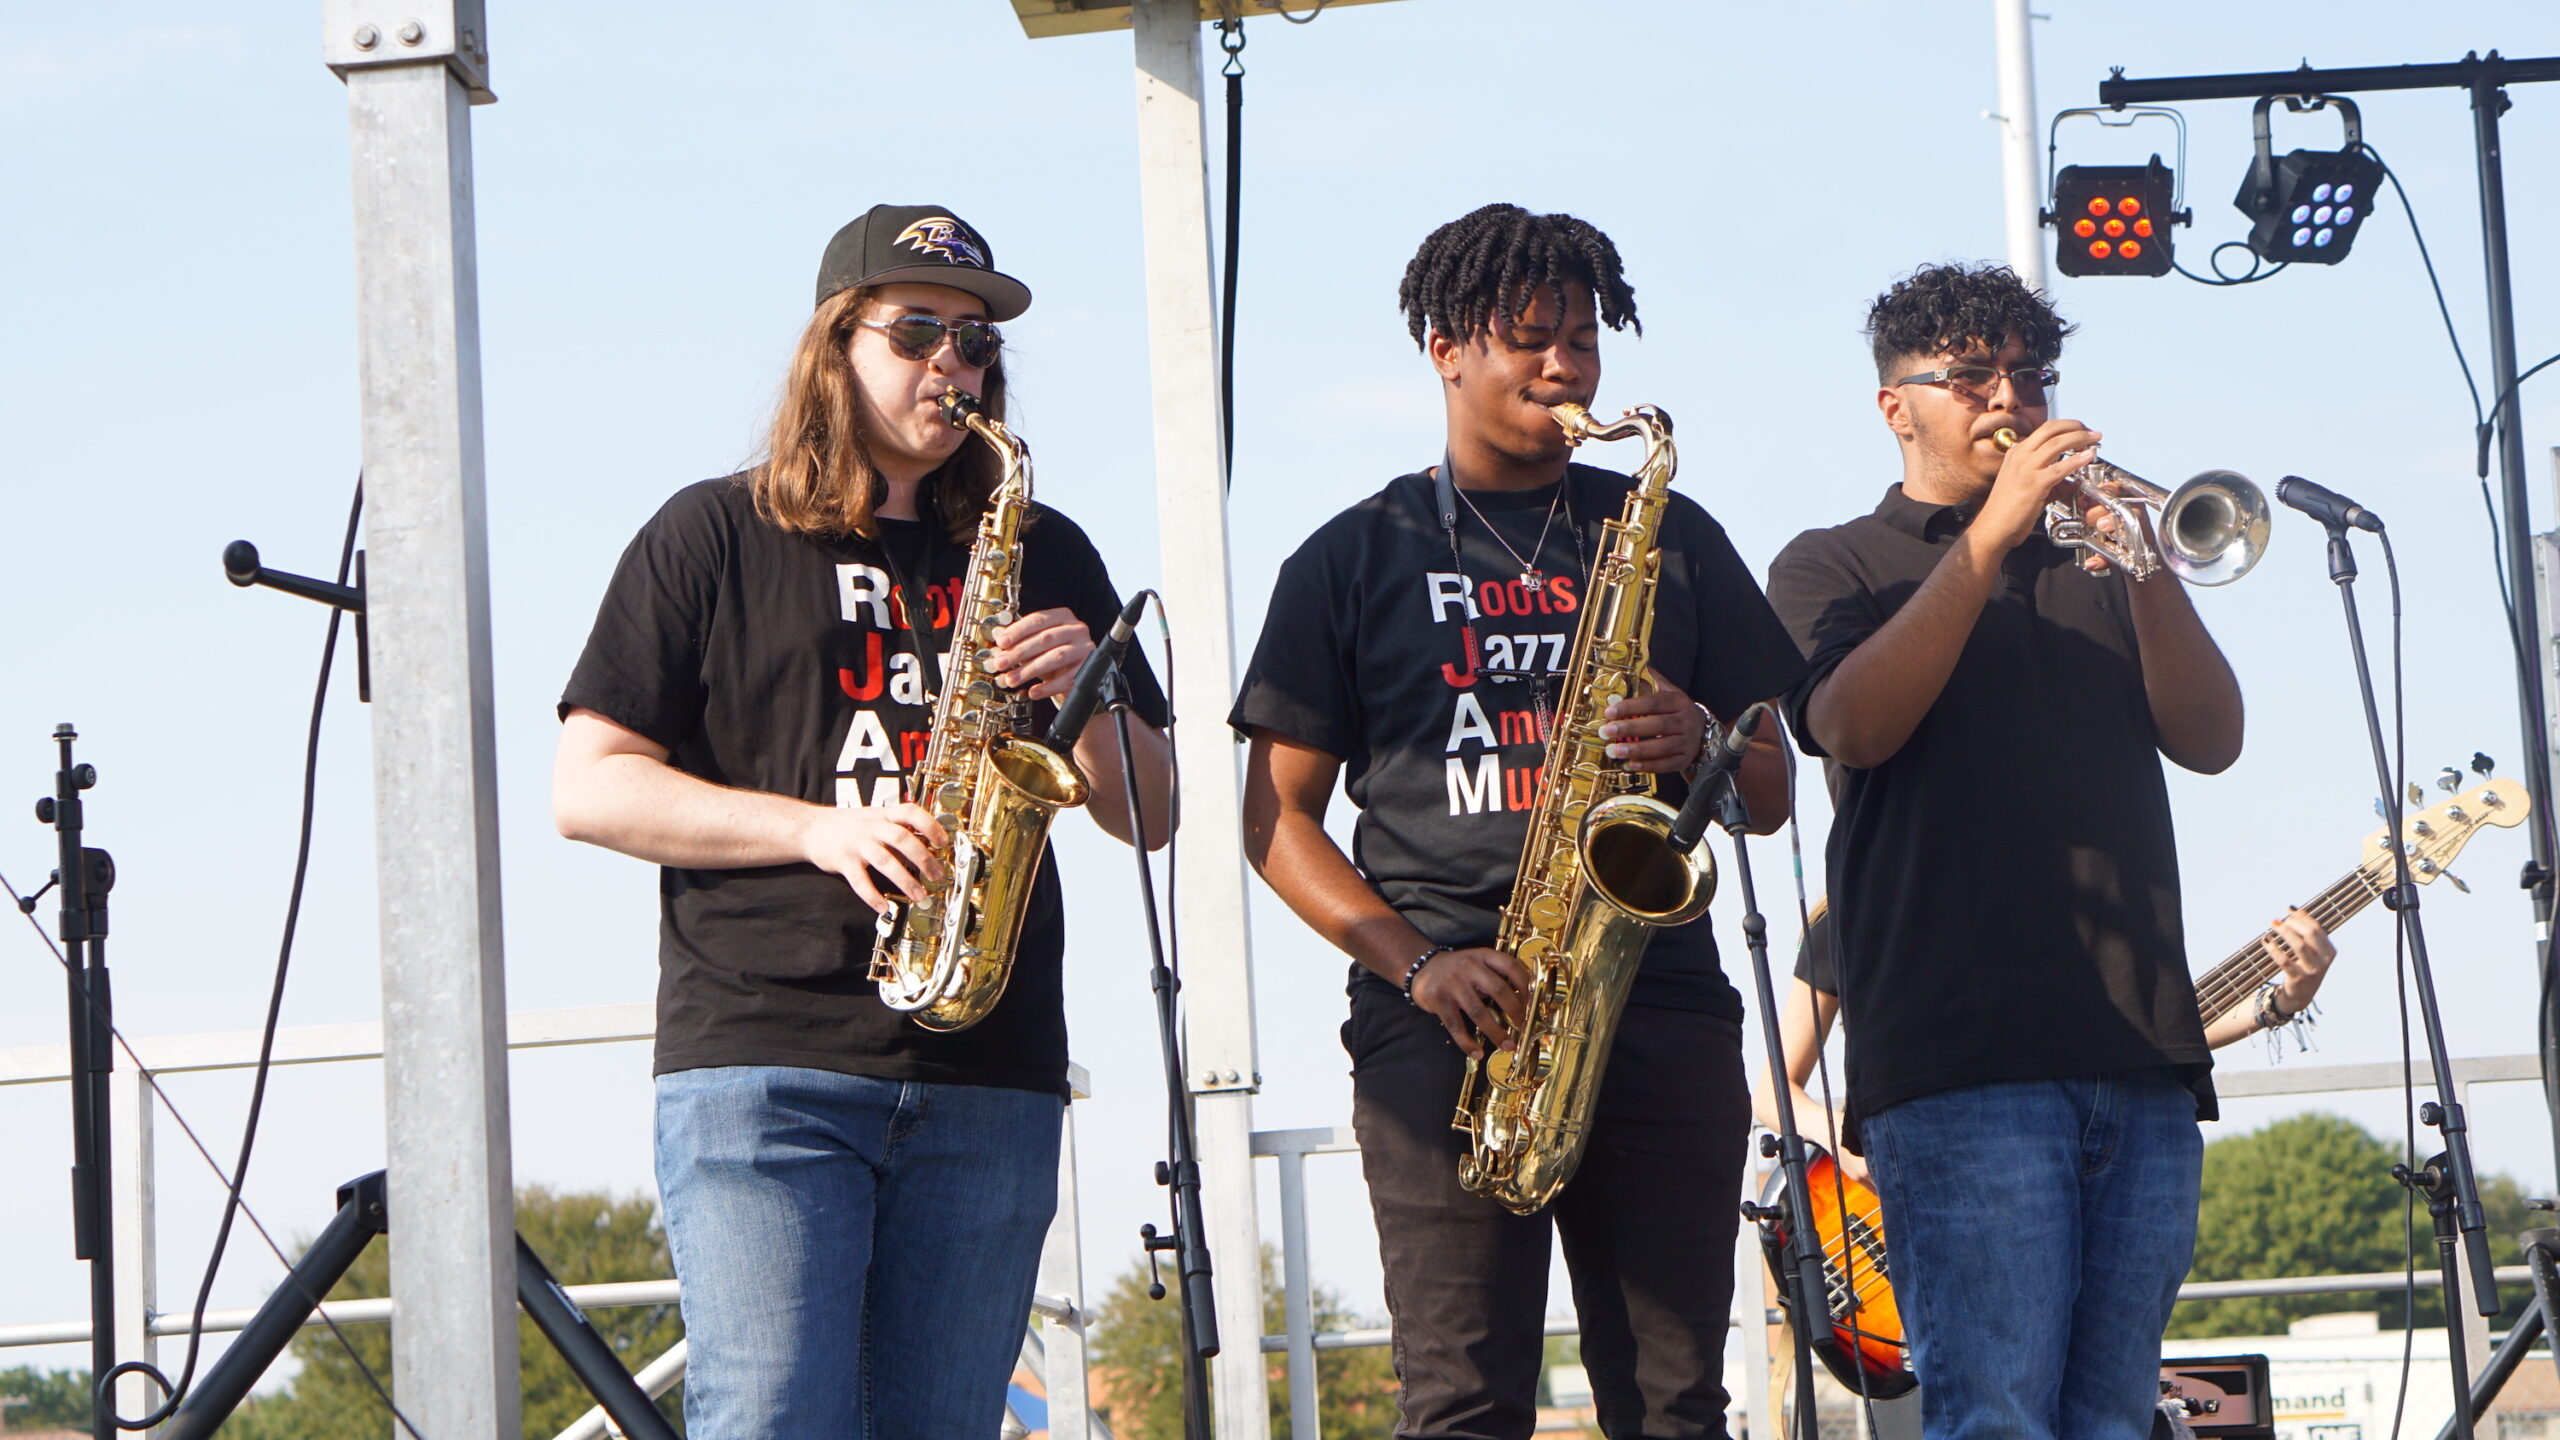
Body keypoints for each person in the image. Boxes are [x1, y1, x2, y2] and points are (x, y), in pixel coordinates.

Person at [551, 204, 1172, 1438]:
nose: (954, 364)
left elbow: (1154, 816)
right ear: (835, 345)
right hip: (767, 1064)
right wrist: (818, 831)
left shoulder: (1044, 550)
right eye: (917, 332)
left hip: (989, 1068)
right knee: (772, 1417)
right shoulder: (709, 533)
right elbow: (591, 786)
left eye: (976, 342)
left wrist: (1089, 702)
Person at [1232, 202, 1808, 1440]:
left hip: (1654, 998)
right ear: (1444, 350)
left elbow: (1768, 794)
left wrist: (1706, 738)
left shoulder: (1671, 534)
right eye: (1530, 340)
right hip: (1447, 1012)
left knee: (1676, 1405)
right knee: (1459, 1407)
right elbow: (1274, 822)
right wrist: (1419, 965)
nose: (1565, 369)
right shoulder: (1349, 557)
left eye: (1582, 342)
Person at [1765, 260, 2248, 1440]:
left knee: (2114, 1419)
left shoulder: (2098, 561)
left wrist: (2146, 564)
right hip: (1959, 1065)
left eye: (2029, 375)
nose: (2009, 400)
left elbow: (2212, 739)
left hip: (2136, 1056)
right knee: (1992, 1415)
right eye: (1972, 376)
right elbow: (1852, 726)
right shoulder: (1831, 563)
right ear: (1895, 406)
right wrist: (1989, 535)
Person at [1755, 904, 2341, 1185]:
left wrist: (2280, 1002)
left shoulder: (2063, 901)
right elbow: (1773, 1089)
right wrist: (1849, 1148)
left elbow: (2134, 1042)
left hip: (2059, 1169)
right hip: (1933, 1182)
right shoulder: (1850, 915)